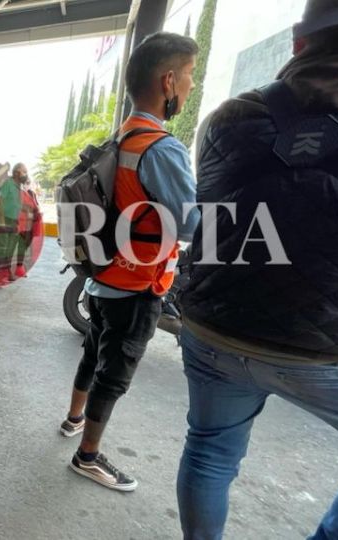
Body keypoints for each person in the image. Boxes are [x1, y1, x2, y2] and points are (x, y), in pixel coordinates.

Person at [176, 2, 338, 538]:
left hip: (214, 330)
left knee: (209, 450)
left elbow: (207, 215)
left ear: (300, 43)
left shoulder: (231, 115)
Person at [60, 32, 200, 492]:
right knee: (115, 372)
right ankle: (88, 456)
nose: (192, 85)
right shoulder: (162, 147)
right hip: (138, 285)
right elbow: (189, 224)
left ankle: (73, 419)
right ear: (168, 81)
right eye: (189, 75)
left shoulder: (122, 136)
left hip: (101, 278)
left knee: (93, 354)